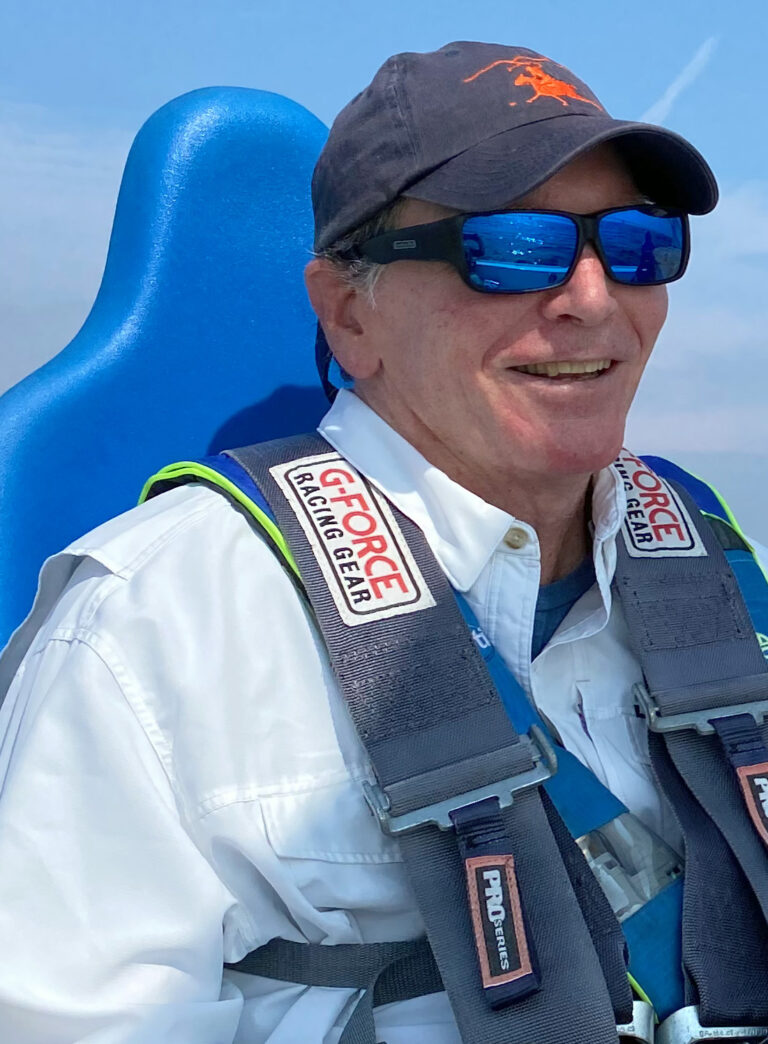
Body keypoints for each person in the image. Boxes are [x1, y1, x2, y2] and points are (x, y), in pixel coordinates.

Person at [0, 39, 763, 1044]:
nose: (592, 297)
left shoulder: (713, 565)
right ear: (350, 314)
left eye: (635, 244)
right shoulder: (153, 631)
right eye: (513, 245)